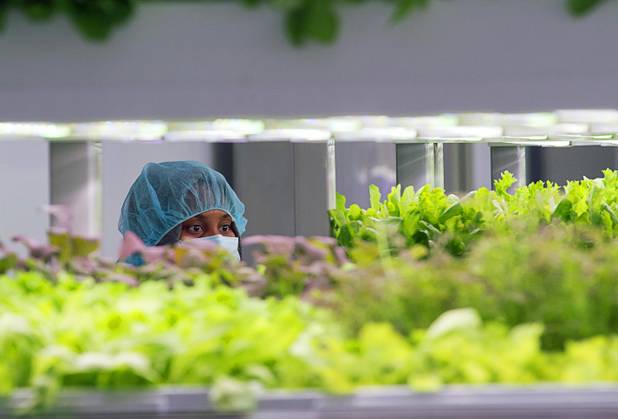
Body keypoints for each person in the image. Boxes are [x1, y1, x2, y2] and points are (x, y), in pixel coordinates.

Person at [118, 161, 246, 264]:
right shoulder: (127, 293)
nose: (218, 241)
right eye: (196, 228)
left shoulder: (248, 292)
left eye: (225, 227)